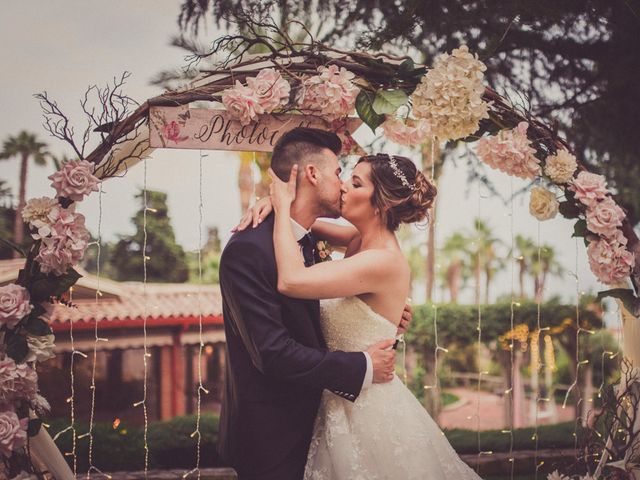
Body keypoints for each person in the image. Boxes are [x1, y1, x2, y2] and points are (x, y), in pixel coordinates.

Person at [241, 150, 482, 479]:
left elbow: (291, 280)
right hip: (340, 394)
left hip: (367, 406)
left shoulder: (381, 260)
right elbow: (306, 226)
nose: (342, 187)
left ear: (380, 203)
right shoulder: (358, 239)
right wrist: (271, 208)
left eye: (355, 183)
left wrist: (281, 207)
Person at [218, 127, 408, 480]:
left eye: (354, 181)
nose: (343, 185)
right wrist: (363, 365)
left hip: (326, 422)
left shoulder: (306, 238)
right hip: (274, 436)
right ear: (311, 174)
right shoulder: (249, 250)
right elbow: (273, 352)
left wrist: (378, 314)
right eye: (339, 174)